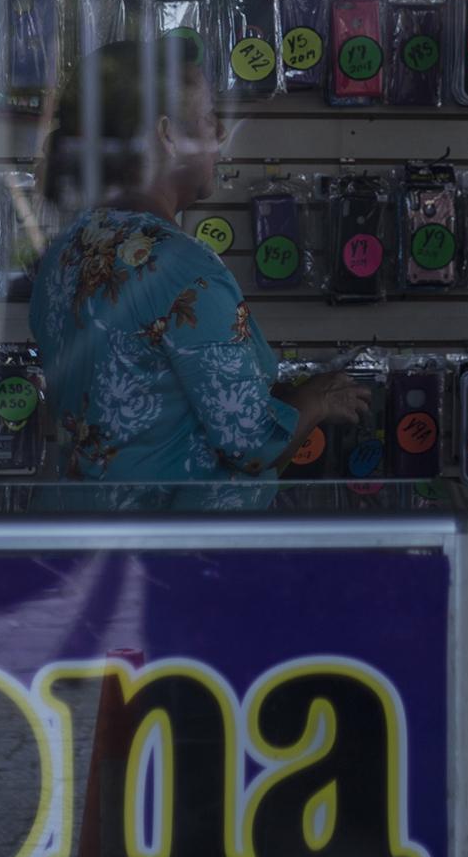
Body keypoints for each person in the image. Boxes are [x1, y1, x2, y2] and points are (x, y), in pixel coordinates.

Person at [29, 37, 371, 508]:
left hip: (86, 543)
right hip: (172, 558)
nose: (221, 132)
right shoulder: (180, 266)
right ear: (168, 135)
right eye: (210, 116)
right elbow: (250, 441)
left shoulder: (65, 251)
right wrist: (316, 400)